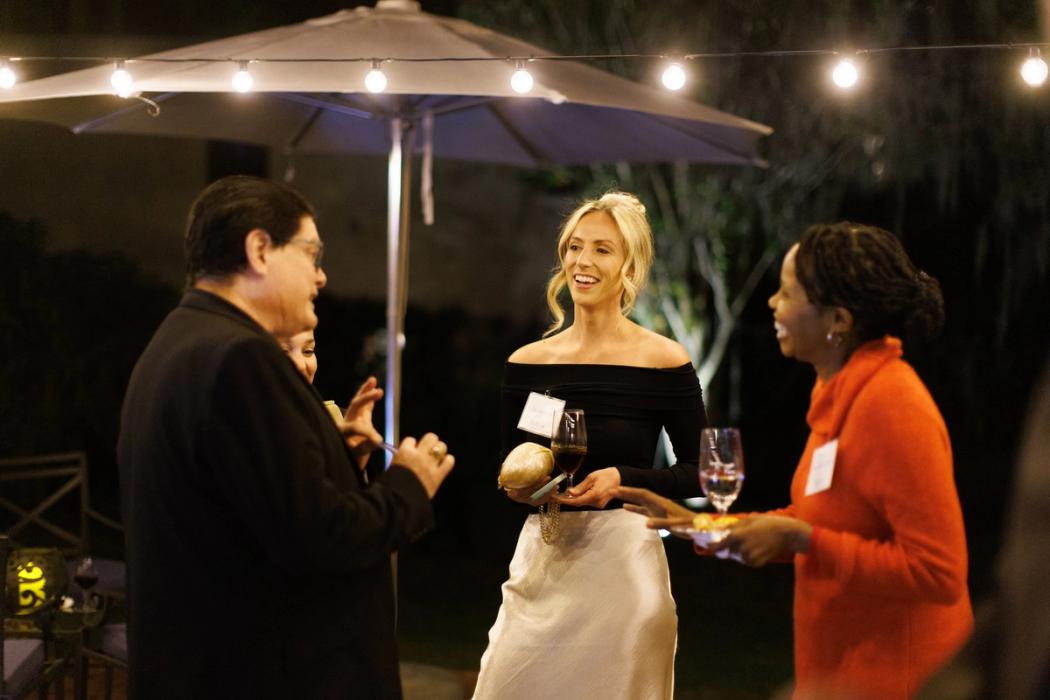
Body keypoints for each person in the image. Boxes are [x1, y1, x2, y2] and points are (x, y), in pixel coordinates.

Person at [117, 175, 455, 699]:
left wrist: (335, 456)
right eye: (311, 255)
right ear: (259, 249)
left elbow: (248, 508)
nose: (321, 277)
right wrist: (409, 487)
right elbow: (321, 539)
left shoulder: (178, 340)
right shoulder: (240, 358)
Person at [618, 222, 973, 699]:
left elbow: (938, 572)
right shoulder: (838, 392)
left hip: (905, 681)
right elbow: (813, 522)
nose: (772, 304)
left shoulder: (892, 403)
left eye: (787, 293)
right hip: (844, 676)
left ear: (838, 322)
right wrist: (698, 528)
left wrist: (805, 540)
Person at [471, 191, 707, 700]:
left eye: (602, 249)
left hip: (625, 570)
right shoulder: (528, 362)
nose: (583, 261)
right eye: (575, 246)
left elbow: (703, 471)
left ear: (630, 265)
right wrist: (521, 491)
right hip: (545, 557)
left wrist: (626, 480)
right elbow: (509, 467)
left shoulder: (663, 361)